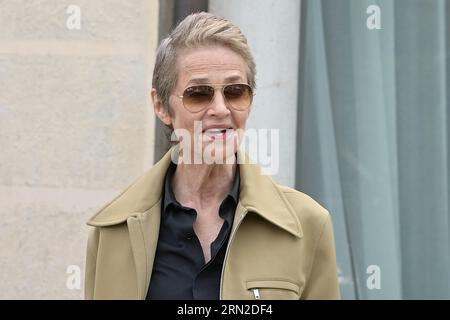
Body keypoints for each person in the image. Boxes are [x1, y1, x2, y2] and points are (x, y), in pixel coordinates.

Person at [85, 12, 340, 300]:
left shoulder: (308, 224)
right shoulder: (112, 233)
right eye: (199, 94)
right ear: (161, 106)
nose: (220, 108)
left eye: (235, 92)